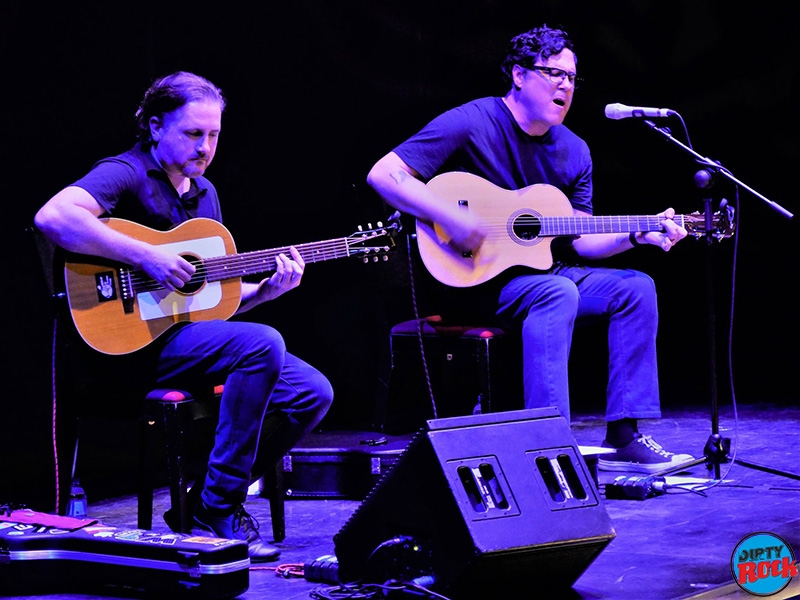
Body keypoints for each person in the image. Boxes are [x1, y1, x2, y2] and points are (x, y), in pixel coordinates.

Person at [366, 25, 695, 473]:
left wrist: (638, 234)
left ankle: (624, 434)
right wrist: (450, 217)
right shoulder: (471, 121)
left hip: (536, 275)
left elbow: (582, 239)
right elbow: (384, 175)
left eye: (573, 78)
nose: (565, 85)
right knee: (558, 293)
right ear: (519, 75)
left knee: (636, 288)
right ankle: (548, 445)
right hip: (464, 281)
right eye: (553, 73)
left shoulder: (575, 151)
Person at [34, 71, 333, 561]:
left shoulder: (205, 194)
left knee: (311, 391)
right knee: (261, 344)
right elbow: (54, 217)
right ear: (155, 126)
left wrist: (265, 292)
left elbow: (204, 304)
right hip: (123, 351)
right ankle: (222, 508)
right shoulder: (125, 172)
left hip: (179, 340)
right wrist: (145, 257)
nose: (206, 146)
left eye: (214, 134)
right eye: (194, 133)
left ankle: (201, 504)